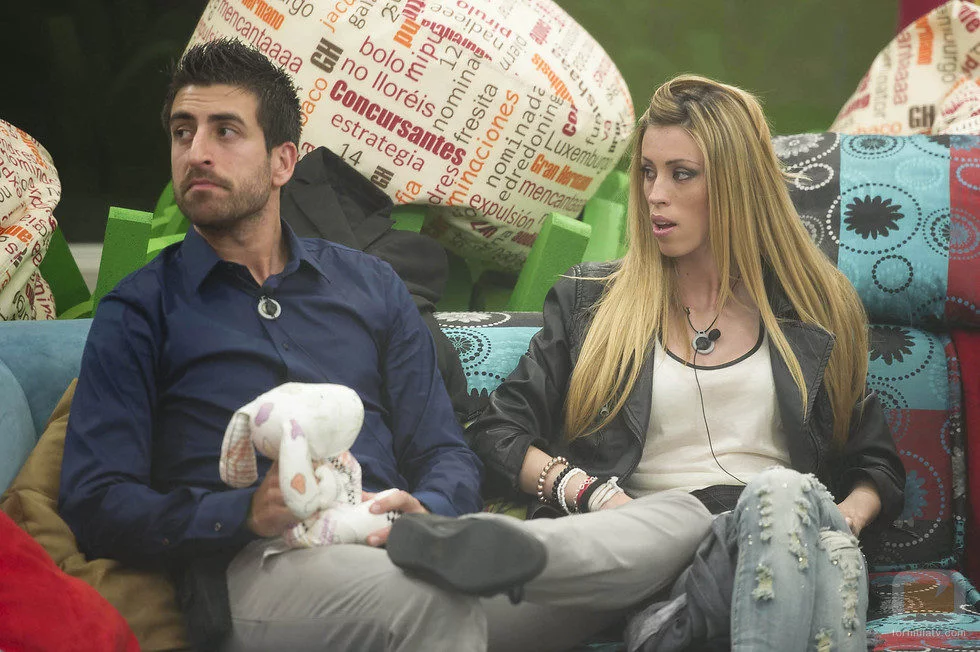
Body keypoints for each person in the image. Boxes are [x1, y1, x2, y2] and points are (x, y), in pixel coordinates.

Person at [393, 74, 905, 651]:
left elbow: (876, 465)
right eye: (646, 171)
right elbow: (496, 434)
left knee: (786, 502)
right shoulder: (592, 302)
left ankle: (676, 624)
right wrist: (592, 494)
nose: (654, 194)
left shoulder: (816, 307)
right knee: (792, 550)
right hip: (645, 536)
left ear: (737, 184)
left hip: (779, 530)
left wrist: (841, 522)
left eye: (681, 174)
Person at [58, 38, 488, 651]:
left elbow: (444, 449)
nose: (196, 152)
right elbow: (96, 502)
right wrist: (242, 513)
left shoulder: (372, 286)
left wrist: (429, 512)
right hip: (262, 567)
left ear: (283, 162)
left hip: (394, 539)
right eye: (183, 132)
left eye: (225, 131)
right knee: (434, 601)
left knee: (635, 541)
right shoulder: (140, 310)